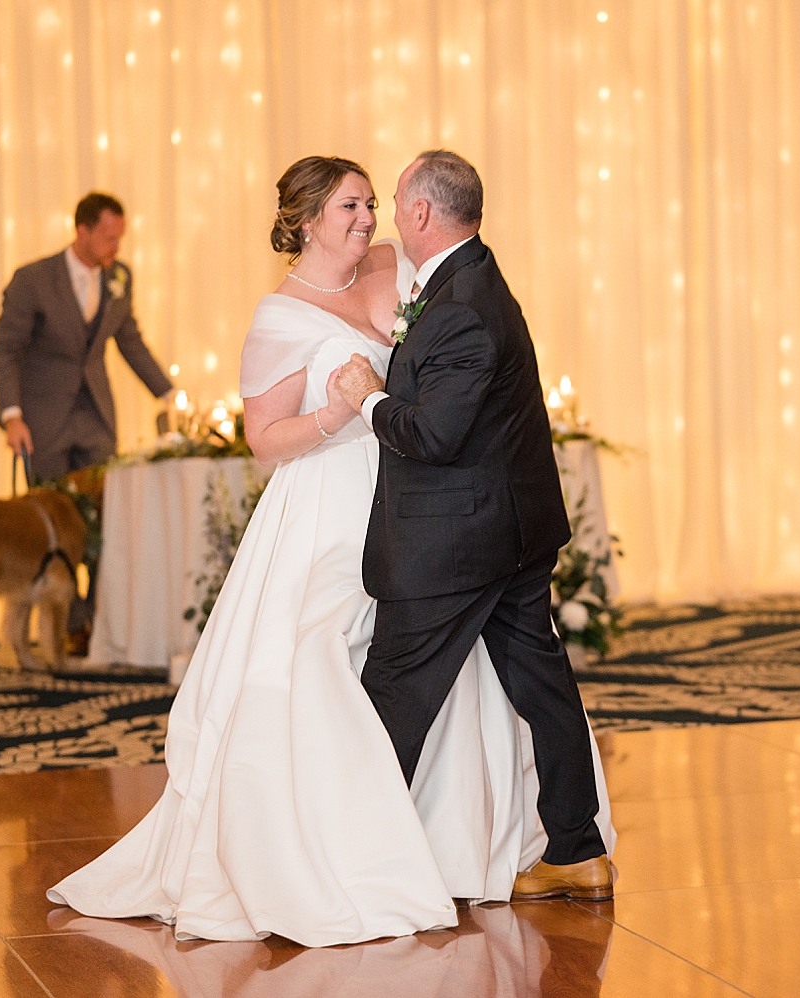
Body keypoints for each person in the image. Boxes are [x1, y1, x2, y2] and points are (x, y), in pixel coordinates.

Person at [46, 156, 614, 947]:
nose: (366, 219)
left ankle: (430, 850)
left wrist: (371, 401)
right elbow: (262, 440)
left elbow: (446, 375)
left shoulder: (401, 266)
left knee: (420, 685)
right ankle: (375, 854)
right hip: (341, 503)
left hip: (429, 505)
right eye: (349, 206)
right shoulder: (278, 315)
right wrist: (337, 418)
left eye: (373, 203)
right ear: (307, 219)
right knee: (338, 665)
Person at [335, 151, 613, 901]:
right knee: (541, 684)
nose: (391, 216)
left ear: (423, 214)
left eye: (395, 203)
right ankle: (578, 851)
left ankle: (357, 870)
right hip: (509, 533)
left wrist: (367, 395)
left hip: (455, 544)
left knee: (391, 693)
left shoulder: (457, 304)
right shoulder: (473, 279)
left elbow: (434, 436)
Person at [0, 191, 173, 482]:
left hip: (96, 419)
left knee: (102, 506)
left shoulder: (119, 277)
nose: (116, 247)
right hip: (45, 421)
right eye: (109, 238)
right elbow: (7, 351)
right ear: (82, 231)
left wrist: (169, 395)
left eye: (119, 239)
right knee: (51, 513)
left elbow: (130, 341)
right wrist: (12, 416)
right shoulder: (32, 280)